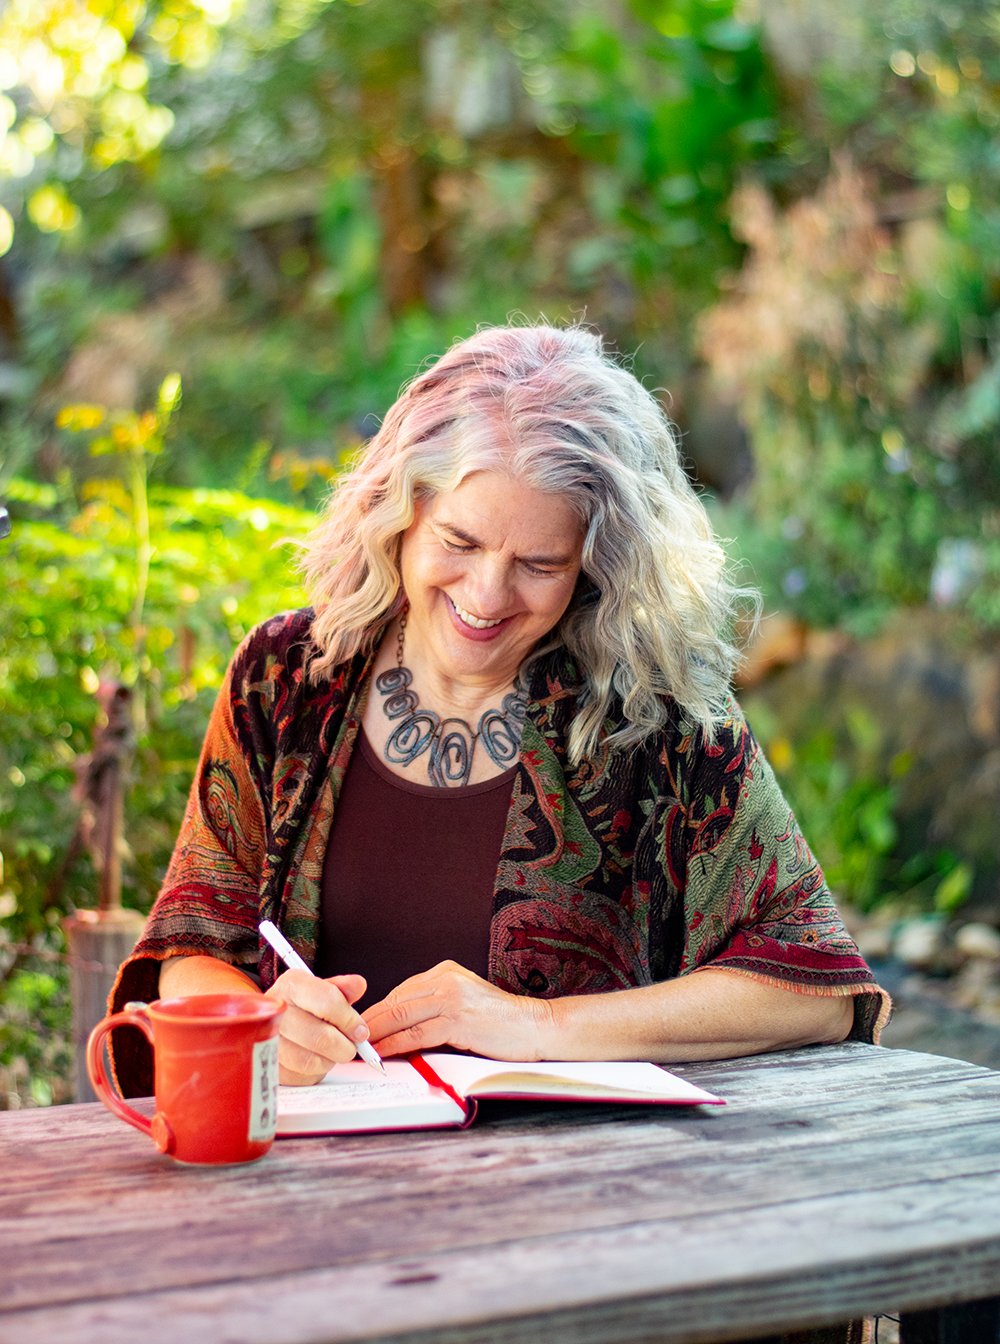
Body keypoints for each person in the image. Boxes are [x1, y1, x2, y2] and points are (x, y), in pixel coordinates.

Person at [110, 325, 888, 1094]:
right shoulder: (285, 679)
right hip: (317, 1182)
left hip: (580, 1192)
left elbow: (812, 986)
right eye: (460, 540)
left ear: (596, 564)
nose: (487, 596)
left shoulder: (659, 714)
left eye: (539, 564)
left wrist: (537, 1028)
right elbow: (191, 948)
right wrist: (258, 1023)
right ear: (402, 510)